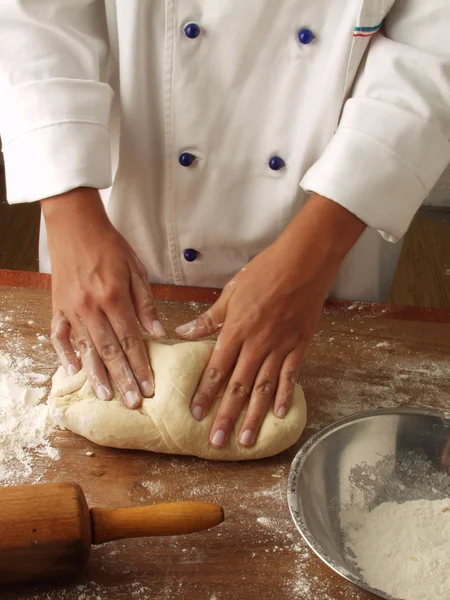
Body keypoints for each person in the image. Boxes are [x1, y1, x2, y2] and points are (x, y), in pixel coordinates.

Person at [1, 1, 449, 451]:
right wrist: (69, 211)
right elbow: (35, 18)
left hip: (329, 212)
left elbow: (432, 54)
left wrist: (315, 252)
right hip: (113, 209)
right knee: (101, 350)